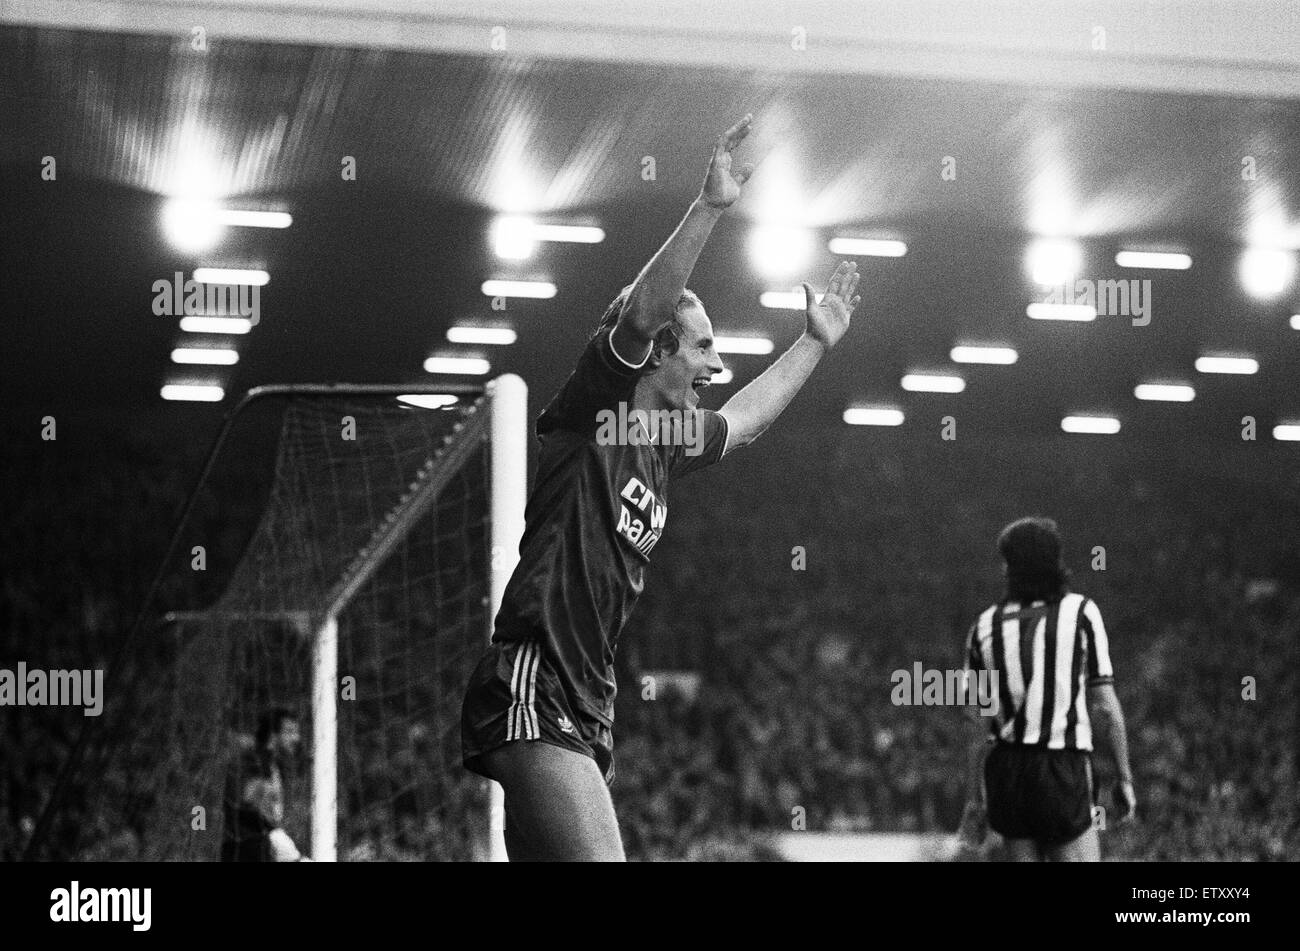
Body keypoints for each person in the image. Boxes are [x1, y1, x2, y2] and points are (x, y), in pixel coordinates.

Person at [461, 113, 862, 860]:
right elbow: (643, 312)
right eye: (705, 347)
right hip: (536, 681)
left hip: (587, 701)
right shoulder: (598, 410)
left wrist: (812, 344)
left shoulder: (665, 445)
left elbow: (742, 423)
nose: (716, 367)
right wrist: (708, 208)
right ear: (655, 356)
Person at [958, 517, 1137, 861]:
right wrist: (1124, 778)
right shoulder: (1081, 612)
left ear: (1009, 568)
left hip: (1007, 773)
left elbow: (976, 722)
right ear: (1055, 562)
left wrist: (974, 800)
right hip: (1060, 767)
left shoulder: (983, 626)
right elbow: (1104, 706)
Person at [221, 706, 310, 862]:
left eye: (296, 732)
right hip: (247, 847)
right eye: (289, 732)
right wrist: (275, 836)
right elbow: (247, 802)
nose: (296, 738)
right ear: (273, 735)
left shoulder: (275, 765)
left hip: (262, 844)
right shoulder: (253, 761)